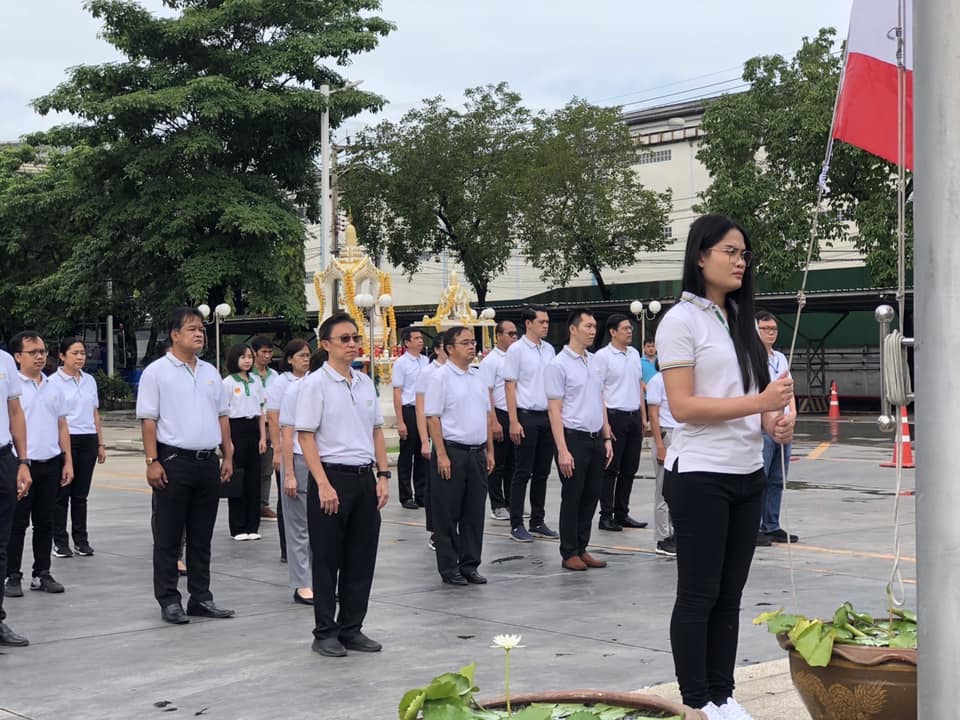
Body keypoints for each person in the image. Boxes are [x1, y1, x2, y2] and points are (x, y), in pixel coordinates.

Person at [656, 214, 794, 719]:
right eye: (730, 252)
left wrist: (772, 423)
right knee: (699, 594)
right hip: (700, 475)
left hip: (746, 472)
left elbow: (751, 402)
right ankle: (696, 702)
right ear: (700, 256)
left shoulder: (738, 320)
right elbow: (683, 407)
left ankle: (722, 694)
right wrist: (760, 403)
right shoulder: (680, 321)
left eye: (744, 254)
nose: (740, 262)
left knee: (730, 595)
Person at [295, 313, 389, 657]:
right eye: (344, 339)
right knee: (327, 559)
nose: (352, 344)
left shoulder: (364, 382)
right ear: (326, 344)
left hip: (364, 477)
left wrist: (383, 475)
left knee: (361, 557)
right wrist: (322, 483)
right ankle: (325, 631)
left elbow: (376, 431)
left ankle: (352, 627)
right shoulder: (314, 384)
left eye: (355, 338)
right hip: (331, 477)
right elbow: (305, 437)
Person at [137, 307, 236, 625]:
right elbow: (148, 420)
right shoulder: (156, 372)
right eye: (192, 329)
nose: (199, 333)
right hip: (173, 461)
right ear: (175, 334)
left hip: (207, 462)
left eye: (202, 329)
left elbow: (222, 416)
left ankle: (201, 597)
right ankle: (169, 599)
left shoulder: (210, 372)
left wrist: (228, 454)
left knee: (201, 535)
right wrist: (152, 461)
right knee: (168, 535)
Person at [4, 332, 73, 597]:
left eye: (42, 351)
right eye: (32, 352)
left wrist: (67, 460)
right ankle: (12, 575)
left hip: (50, 462)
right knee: (17, 524)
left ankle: (41, 573)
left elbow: (62, 425)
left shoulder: (54, 386)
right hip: (21, 465)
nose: (40, 356)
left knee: (45, 522)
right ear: (17, 356)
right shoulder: (11, 386)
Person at [425, 327, 494, 585]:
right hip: (452, 451)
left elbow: (486, 416)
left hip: (477, 451)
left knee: (474, 512)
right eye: (465, 343)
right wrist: (441, 454)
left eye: (473, 342)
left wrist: (490, 450)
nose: (471, 346)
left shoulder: (477, 376)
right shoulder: (440, 377)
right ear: (450, 348)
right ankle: (449, 567)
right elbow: (433, 418)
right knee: (447, 513)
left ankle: (470, 564)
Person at [544, 310, 612, 571]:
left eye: (594, 326)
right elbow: (554, 409)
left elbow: (599, 399)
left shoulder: (595, 362)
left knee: (591, 495)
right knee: (573, 495)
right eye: (587, 326)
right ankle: (569, 551)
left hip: (595, 438)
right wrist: (562, 450)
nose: (593, 331)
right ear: (573, 329)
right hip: (573, 438)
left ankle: (582, 547)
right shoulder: (558, 365)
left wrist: (606, 436)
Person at [503, 306, 559, 543]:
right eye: (541, 322)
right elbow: (510, 387)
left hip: (547, 416)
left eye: (547, 322)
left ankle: (537, 520)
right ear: (528, 324)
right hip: (526, 416)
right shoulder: (516, 350)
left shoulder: (549, 350)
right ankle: (516, 523)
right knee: (522, 472)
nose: (545, 325)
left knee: (542, 472)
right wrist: (513, 421)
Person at [50, 337, 105, 558]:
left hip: (88, 439)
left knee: (81, 495)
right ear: (62, 356)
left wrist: (100, 443)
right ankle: (59, 542)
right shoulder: (53, 382)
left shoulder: (89, 380)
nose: (80, 357)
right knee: (62, 494)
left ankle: (81, 541)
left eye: (83, 353)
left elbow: (94, 413)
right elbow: (54, 418)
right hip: (66, 439)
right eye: (75, 353)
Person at [594, 314, 648, 532]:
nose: (629, 331)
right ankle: (605, 515)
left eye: (630, 328)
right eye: (625, 328)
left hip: (633, 415)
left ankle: (622, 513)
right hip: (614, 416)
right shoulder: (602, 357)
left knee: (630, 468)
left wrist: (643, 416)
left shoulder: (634, 353)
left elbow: (638, 385)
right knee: (611, 469)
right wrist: (605, 424)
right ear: (612, 332)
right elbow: (598, 391)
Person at [273, 340, 313, 604]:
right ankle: (302, 583)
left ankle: (319, 579)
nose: (306, 360)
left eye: (309, 356)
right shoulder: (288, 387)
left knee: (319, 527)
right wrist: (286, 467)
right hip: (297, 456)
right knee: (299, 526)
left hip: (321, 460)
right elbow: (281, 426)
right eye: (302, 355)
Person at [755, 311, 799, 546]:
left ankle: (771, 524)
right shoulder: (751, 359)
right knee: (759, 479)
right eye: (766, 329)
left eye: (774, 329)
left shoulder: (780, 358)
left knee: (777, 478)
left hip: (782, 424)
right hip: (762, 427)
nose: (771, 333)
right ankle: (753, 527)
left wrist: (792, 414)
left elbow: (788, 389)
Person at [0, 346, 32, 647]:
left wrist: (23, 461)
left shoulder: (4, 360)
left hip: (3, 459)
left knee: (1, 545)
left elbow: (14, 411)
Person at [222, 343, 267, 541]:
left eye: (249, 356)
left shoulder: (256, 381)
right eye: (243, 357)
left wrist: (263, 437)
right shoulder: (228, 383)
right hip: (236, 429)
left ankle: (252, 525)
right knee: (237, 479)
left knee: (254, 479)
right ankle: (238, 527)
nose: (247, 360)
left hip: (253, 429)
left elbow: (261, 411)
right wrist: (228, 442)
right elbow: (223, 414)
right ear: (235, 359)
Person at [479, 320, 518, 522]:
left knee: (514, 463)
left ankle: (512, 502)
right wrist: (493, 421)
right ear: (499, 336)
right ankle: (497, 504)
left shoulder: (516, 356)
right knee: (498, 464)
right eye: (510, 334)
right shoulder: (491, 361)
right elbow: (487, 392)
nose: (514, 337)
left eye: (515, 334)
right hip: (499, 413)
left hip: (515, 413)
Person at [415, 334, 447, 551]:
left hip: (452, 435)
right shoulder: (428, 373)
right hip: (435, 434)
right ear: (437, 350)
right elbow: (421, 409)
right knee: (435, 487)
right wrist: (424, 441)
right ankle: (435, 530)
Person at [392, 327, 429, 510]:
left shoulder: (426, 361)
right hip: (409, 409)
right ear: (407, 342)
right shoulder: (401, 363)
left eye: (421, 338)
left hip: (425, 410)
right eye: (416, 338)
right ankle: (406, 495)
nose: (420, 341)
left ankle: (421, 494)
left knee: (423, 453)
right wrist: (400, 421)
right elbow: (397, 392)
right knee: (407, 454)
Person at [645, 366, 677, 557]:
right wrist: (660, 445)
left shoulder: (679, 379)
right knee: (663, 490)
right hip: (666, 435)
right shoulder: (657, 381)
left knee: (677, 491)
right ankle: (662, 538)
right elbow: (653, 416)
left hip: (680, 435)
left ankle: (674, 533)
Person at [250, 335, 280, 522]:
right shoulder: (247, 374)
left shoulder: (275, 376)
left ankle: (263, 503)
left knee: (267, 467)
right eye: (264, 352)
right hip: (251, 423)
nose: (267, 356)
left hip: (270, 424)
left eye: (270, 352)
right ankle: (249, 504)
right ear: (254, 353)